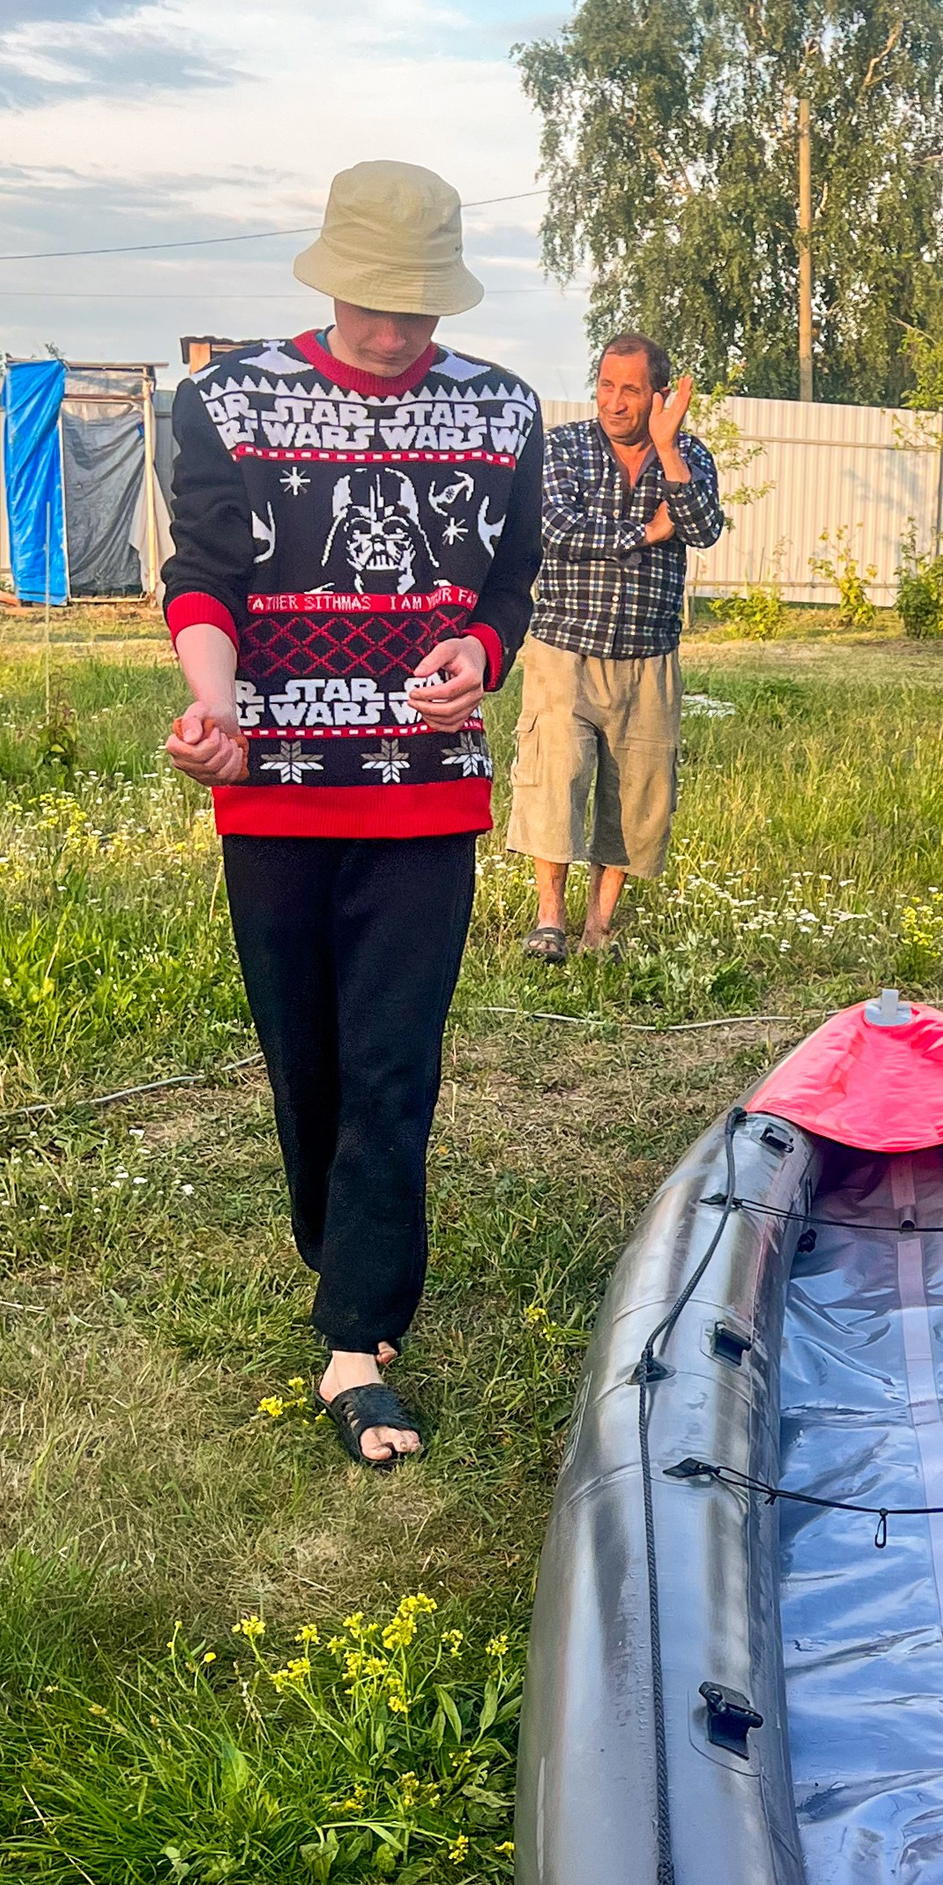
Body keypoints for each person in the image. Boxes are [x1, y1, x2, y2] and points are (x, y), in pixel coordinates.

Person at [161, 160, 545, 1468]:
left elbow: (511, 583)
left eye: (421, 308)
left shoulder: (504, 411)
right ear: (330, 281)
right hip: (269, 790)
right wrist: (214, 711)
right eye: (378, 304)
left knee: (391, 1063)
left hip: (425, 795)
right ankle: (347, 1259)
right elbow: (203, 577)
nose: (398, 330)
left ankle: (356, 1338)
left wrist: (481, 658)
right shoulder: (225, 401)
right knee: (306, 1064)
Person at [508, 333, 727, 958]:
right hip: (564, 648)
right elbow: (556, 528)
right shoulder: (566, 446)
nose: (615, 401)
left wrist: (666, 451)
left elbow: (704, 528)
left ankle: (599, 928)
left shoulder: (688, 454)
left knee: (638, 798)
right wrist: (648, 530)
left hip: (648, 654)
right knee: (556, 780)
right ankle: (549, 920)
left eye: (631, 389)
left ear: (658, 394)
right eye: (607, 385)